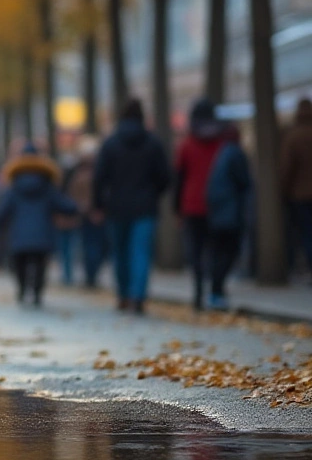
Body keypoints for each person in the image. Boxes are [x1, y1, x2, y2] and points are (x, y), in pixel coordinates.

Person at [92, 99, 171, 315]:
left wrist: (98, 205)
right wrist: (154, 193)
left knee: (120, 253)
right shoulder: (153, 143)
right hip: (145, 207)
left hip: (116, 207)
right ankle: (138, 296)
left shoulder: (110, 144)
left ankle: (123, 295)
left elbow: (99, 178)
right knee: (141, 252)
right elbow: (164, 176)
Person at [0, 145, 78, 306]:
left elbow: (3, 210)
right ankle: (37, 292)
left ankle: (23, 289)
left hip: (19, 236)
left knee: (20, 264)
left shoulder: (14, 187)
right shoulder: (48, 186)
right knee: (40, 264)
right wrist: (75, 209)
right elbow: (65, 205)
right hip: (43, 234)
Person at [173, 99, 225, 309]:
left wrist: (177, 208)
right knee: (216, 250)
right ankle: (216, 290)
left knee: (195, 252)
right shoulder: (222, 143)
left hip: (192, 205)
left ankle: (198, 292)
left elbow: (179, 178)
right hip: (218, 205)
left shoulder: (186, 145)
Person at [205, 123, 251, 311]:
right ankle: (217, 291)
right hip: (230, 212)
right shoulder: (235, 154)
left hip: (219, 212)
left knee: (219, 253)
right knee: (228, 252)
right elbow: (244, 181)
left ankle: (216, 291)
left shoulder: (222, 153)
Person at [60, 135, 106, 288]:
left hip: (86, 213)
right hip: (88, 213)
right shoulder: (90, 170)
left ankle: (88, 275)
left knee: (88, 246)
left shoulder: (77, 170)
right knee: (90, 246)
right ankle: (89, 275)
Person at [281, 98, 312, 271]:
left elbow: (287, 167)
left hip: (299, 194)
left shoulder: (293, 136)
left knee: (306, 233)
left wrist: (283, 191)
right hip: (300, 193)